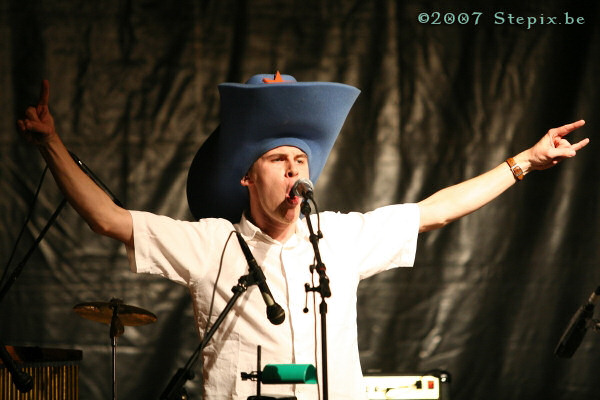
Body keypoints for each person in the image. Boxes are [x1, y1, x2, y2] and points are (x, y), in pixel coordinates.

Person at [17, 73, 589, 400]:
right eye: (278, 160)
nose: (294, 170)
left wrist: (524, 161)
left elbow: (435, 211)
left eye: (301, 160)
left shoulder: (337, 236)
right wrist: (50, 144)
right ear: (247, 177)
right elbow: (108, 218)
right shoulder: (211, 243)